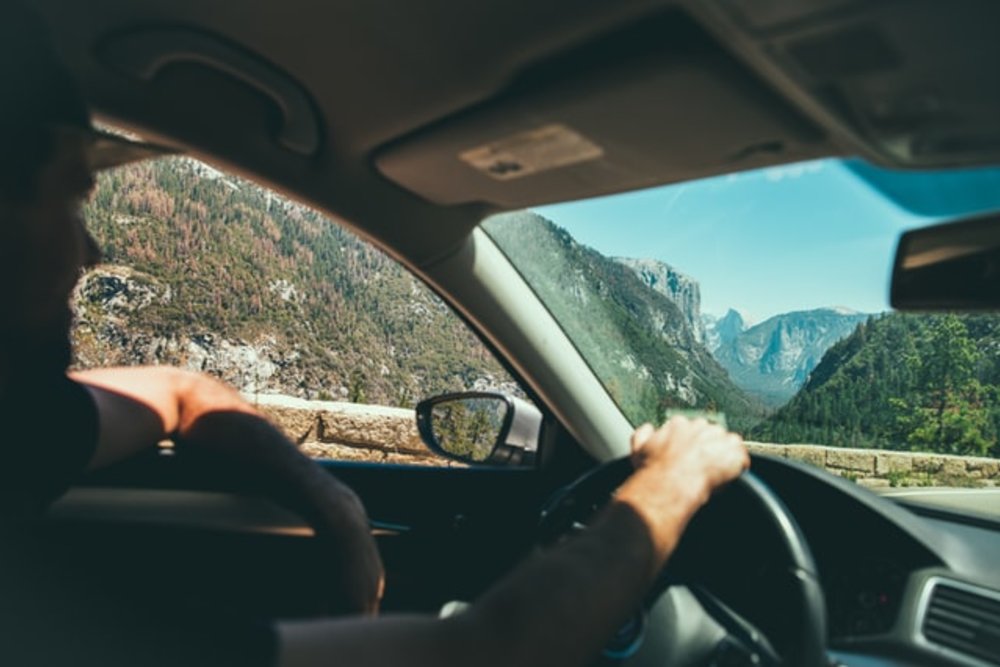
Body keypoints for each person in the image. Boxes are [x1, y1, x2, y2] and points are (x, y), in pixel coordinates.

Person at [0, 3, 750, 666]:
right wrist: (676, 476)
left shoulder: (23, 428)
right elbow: (488, 651)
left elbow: (182, 390)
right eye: (71, 197)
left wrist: (339, 506)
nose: (90, 250)